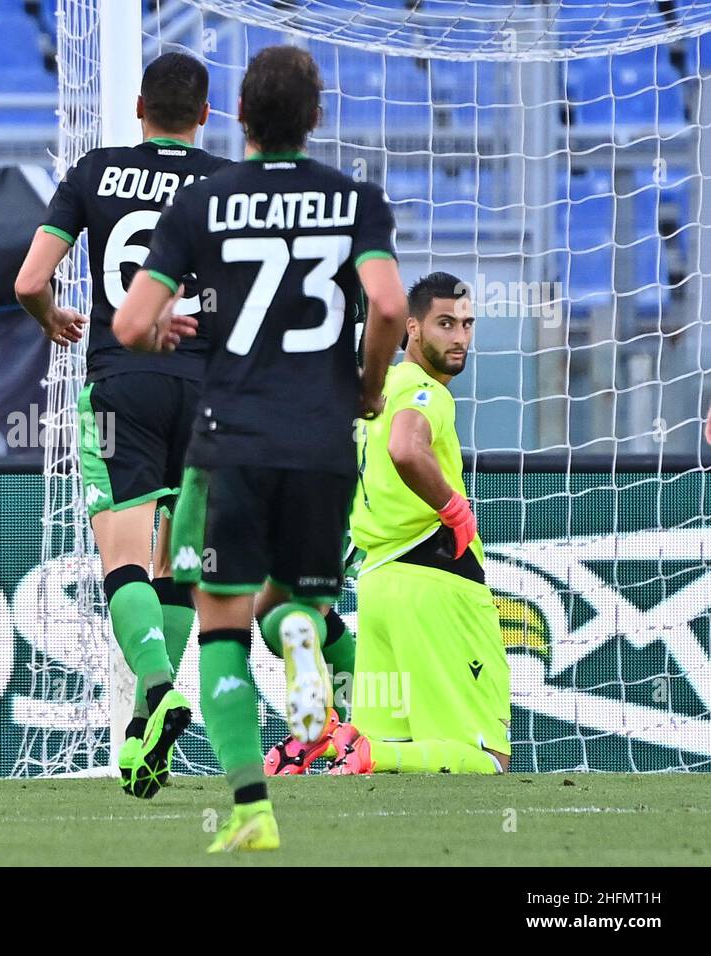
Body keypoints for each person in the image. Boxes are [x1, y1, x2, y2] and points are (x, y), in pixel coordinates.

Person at [112, 46, 407, 851]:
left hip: (230, 438)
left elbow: (131, 325)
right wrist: (369, 383)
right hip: (321, 437)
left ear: (239, 117)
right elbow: (387, 304)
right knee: (296, 603)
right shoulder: (356, 200)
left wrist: (164, 329)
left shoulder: (204, 202)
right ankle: (305, 637)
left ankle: (250, 809)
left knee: (220, 625)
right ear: (315, 117)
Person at [14, 52, 231, 798]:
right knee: (176, 565)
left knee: (124, 561)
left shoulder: (93, 172)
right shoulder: (229, 182)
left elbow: (29, 281)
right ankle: (147, 732)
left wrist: (52, 319)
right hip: (207, 392)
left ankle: (157, 688)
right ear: (206, 114)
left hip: (123, 380)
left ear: (139, 106)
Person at [328, 272, 512, 775]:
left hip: (378, 585)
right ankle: (364, 751)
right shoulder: (422, 388)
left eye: (467, 325)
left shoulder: (374, 392)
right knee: (486, 757)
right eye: (445, 324)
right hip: (436, 584)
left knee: (392, 763)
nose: (459, 337)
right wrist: (455, 508)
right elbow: (407, 448)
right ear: (412, 329)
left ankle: (347, 748)